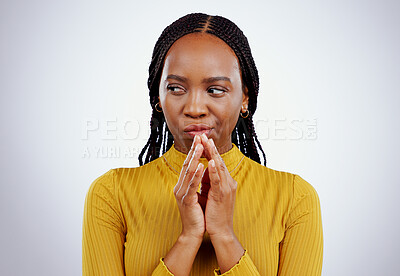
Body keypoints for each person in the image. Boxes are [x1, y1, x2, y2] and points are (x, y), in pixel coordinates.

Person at [82, 13, 323, 276]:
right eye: (176, 88)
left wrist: (224, 236)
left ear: (245, 98)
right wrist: (188, 238)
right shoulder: (111, 195)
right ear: (158, 98)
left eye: (215, 90)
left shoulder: (294, 199)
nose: (195, 108)